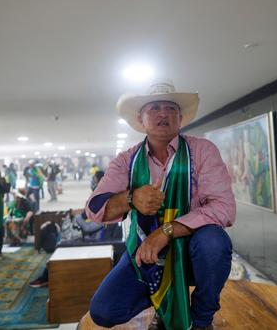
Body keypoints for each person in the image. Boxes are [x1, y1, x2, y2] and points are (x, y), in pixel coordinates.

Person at [85, 80, 235, 330]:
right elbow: (95, 209)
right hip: (146, 254)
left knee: (214, 242)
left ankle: (201, 319)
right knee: (104, 311)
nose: (163, 113)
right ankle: (163, 304)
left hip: (193, 251)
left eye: (171, 108)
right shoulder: (126, 161)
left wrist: (166, 232)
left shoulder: (202, 151)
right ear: (141, 119)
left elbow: (224, 208)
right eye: (154, 108)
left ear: (180, 118)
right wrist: (130, 198)